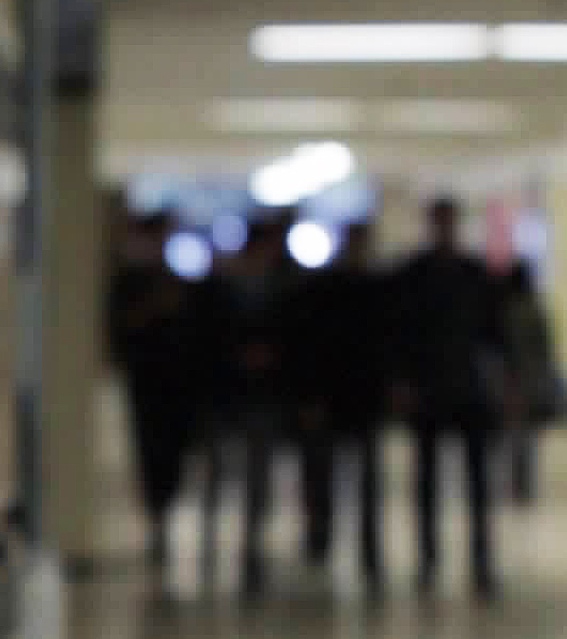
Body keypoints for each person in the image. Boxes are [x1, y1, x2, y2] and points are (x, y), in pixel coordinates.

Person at [389, 197, 507, 601]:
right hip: (428, 389)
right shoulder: (413, 275)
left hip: (469, 389)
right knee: (427, 481)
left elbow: (494, 333)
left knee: (478, 481)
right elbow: (400, 334)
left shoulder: (475, 275)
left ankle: (481, 558)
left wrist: (503, 382)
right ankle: (429, 558)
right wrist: (403, 382)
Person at [196, 213, 297, 597]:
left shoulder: (279, 289)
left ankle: (250, 545)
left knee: (257, 476)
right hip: (225, 394)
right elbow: (205, 339)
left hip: (262, 396)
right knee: (217, 474)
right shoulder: (219, 288)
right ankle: (212, 541)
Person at [288, 221, 390, 596]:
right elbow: (311, 348)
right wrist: (310, 396)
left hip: (363, 400)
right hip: (331, 399)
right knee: (321, 476)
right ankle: (320, 538)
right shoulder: (324, 292)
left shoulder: (377, 291)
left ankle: (367, 548)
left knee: (366, 481)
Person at [109, 212, 200, 565]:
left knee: (174, 453)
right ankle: (156, 517)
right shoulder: (131, 283)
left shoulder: (178, 283)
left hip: (177, 385)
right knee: (150, 451)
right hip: (146, 381)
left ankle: (166, 509)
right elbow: (119, 332)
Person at [497, 261, 559, 503]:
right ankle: (523, 483)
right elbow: (545, 348)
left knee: (513, 435)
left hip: (512, 380)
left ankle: (516, 482)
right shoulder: (534, 308)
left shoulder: (505, 309)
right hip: (531, 380)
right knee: (527, 437)